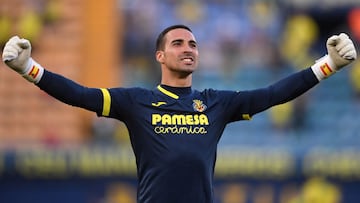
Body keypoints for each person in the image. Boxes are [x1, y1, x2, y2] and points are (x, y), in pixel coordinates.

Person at [2, 24, 357, 203]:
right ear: (160, 56)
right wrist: (28, 68)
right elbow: (80, 95)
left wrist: (328, 65)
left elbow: (271, 94)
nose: (188, 49)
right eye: (178, 43)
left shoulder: (216, 102)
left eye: (193, 44)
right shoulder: (136, 100)